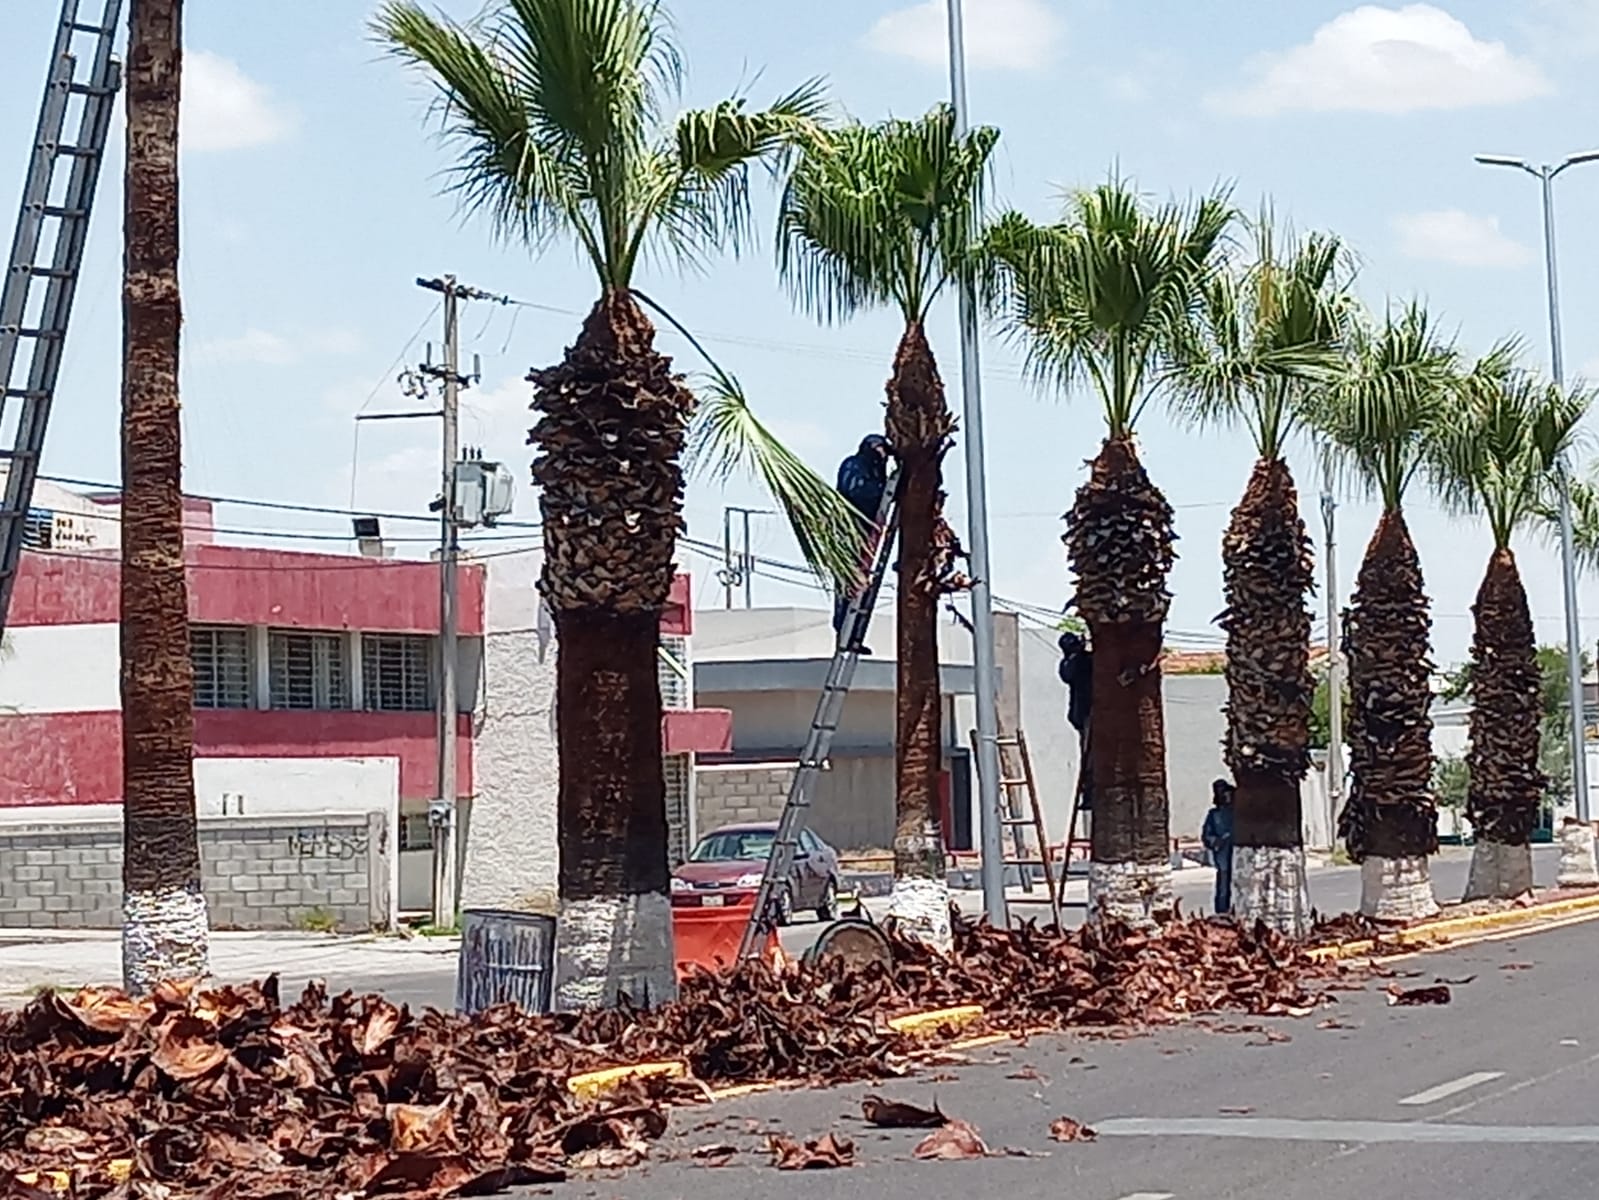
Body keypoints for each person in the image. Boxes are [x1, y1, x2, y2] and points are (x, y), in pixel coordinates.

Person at [832, 434, 893, 651]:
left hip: (868, 529)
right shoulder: (854, 464)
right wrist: (882, 491)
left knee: (863, 585)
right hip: (849, 529)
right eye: (879, 448)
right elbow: (854, 491)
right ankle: (843, 633)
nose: (882, 453)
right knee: (847, 583)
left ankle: (855, 636)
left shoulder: (877, 468)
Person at [1058, 630, 1092, 811]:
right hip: (1086, 714)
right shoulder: (1075, 662)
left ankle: (1088, 792)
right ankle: (1089, 793)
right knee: (1089, 755)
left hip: (1083, 714)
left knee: (1088, 754)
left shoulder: (1071, 662)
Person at [1202, 778, 1236, 915]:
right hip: (1223, 858)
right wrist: (1217, 841)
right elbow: (1206, 836)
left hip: (1240, 857)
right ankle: (1222, 913)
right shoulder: (1214, 815)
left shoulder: (1239, 813)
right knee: (1223, 889)